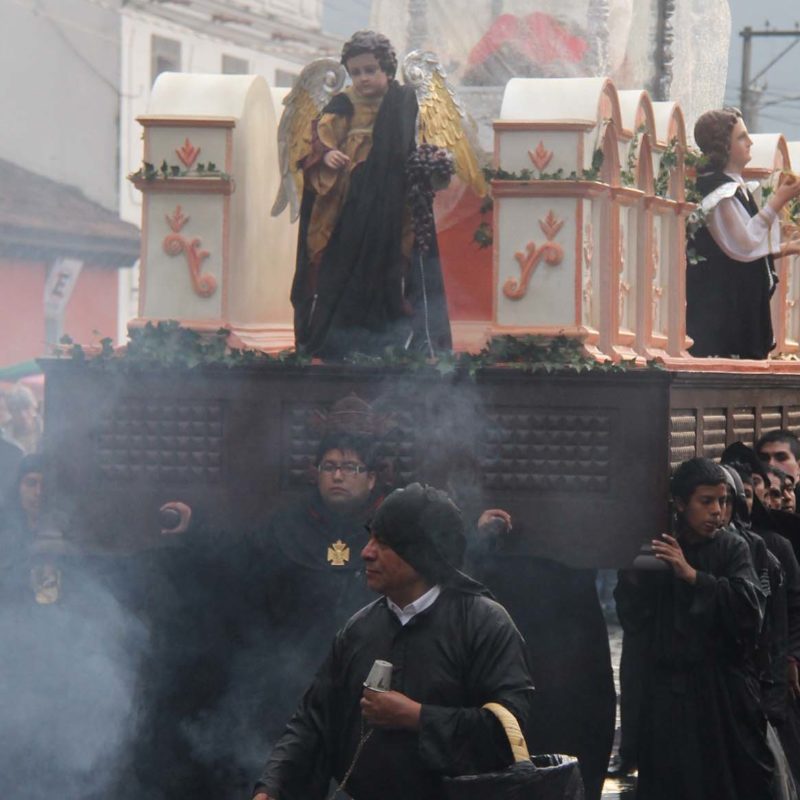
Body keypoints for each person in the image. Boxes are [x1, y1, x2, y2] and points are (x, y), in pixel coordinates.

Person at [252, 483, 535, 800]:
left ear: (423, 554)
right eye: (370, 537)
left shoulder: (484, 625)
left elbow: (506, 734)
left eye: (384, 543)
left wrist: (416, 717)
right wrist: (271, 788)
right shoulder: (359, 629)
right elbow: (313, 722)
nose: (366, 552)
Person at [615, 457, 774, 800]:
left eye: (724, 501)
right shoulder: (660, 547)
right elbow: (635, 620)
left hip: (722, 695)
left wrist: (693, 577)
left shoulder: (733, 547)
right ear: (681, 502)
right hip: (669, 696)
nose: (717, 511)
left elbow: (748, 611)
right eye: (707, 502)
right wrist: (633, 577)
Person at [291, 30, 452, 358]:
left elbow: (420, 145)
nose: (363, 79)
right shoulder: (342, 103)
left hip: (393, 203)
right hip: (348, 200)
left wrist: (431, 165)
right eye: (356, 72)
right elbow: (320, 138)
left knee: (392, 266)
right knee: (339, 264)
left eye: (370, 70)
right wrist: (327, 155)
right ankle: (338, 337)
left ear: (387, 70)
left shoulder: (404, 101)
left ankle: (388, 339)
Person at [686, 107, 800, 358]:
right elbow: (745, 243)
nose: (750, 142)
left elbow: (744, 246)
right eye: (741, 137)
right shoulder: (719, 193)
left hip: (739, 310)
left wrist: (786, 248)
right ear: (723, 146)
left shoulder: (735, 188)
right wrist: (778, 200)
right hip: (722, 318)